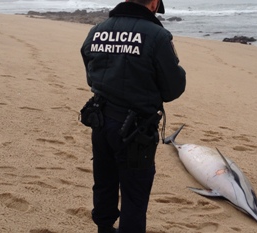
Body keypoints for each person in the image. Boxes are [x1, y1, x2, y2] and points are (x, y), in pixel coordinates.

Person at [80, 0, 186, 232]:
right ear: (154, 4)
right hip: (135, 132)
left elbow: (91, 75)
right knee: (134, 194)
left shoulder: (97, 30)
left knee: (104, 182)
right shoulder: (158, 36)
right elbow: (173, 89)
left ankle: (104, 228)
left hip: (100, 121)